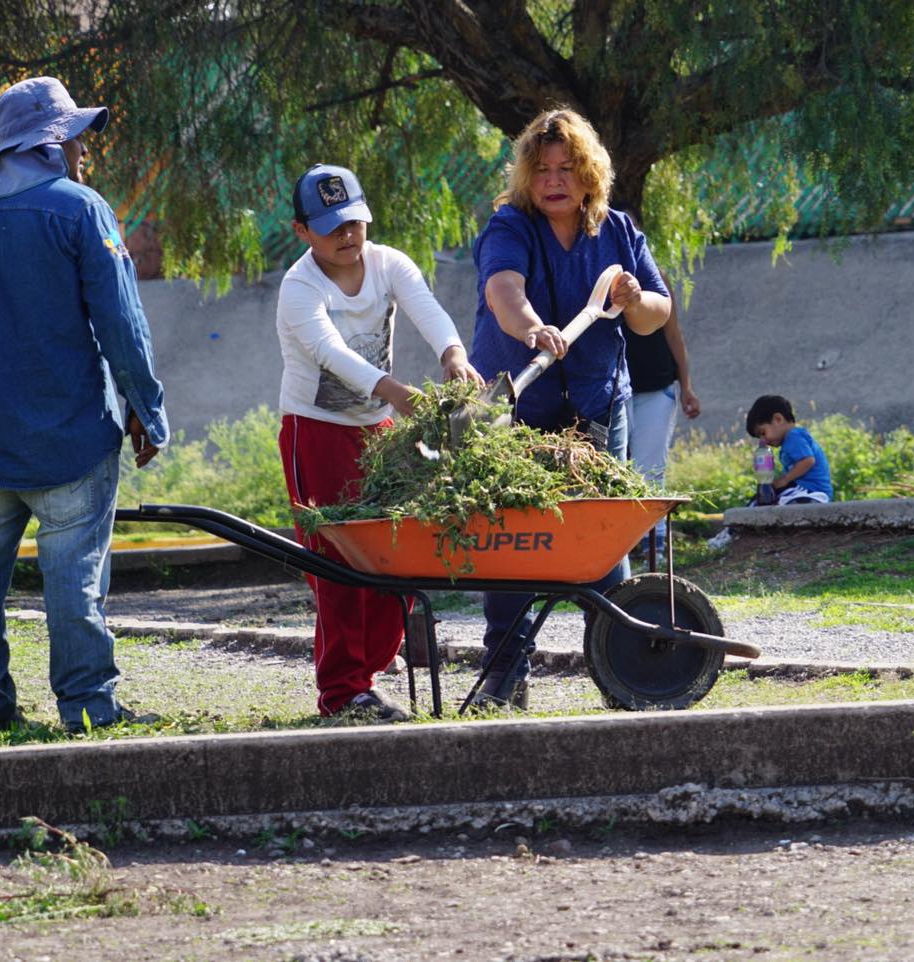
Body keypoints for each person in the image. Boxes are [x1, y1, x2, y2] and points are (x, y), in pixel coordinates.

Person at [0, 77, 168, 731]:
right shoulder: (81, 210)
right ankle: (86, 704)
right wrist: (146, 406)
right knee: (72, 572)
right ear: (53, 140)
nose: (85, 149)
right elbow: (122, 323)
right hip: (71, 437)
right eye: (79, 136)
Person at [469, 107, 674, 707]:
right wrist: (535, 330)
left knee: (601, 537)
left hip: (597, 406)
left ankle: (626, 664)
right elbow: (504, 292)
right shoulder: (509, 226)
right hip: (514, 405)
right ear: (527, 178)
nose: (554, 179)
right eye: (542, 169)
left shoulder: (618, 231)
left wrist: (634, 300)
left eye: (567, 167)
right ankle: (504, 674)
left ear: (589, 174)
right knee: (513, 541)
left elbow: (656, 313)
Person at [277, 163, 483, 722]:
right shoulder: (300, 287)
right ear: (302, 232)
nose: (347, 237)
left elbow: (427, 310)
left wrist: (453, 354)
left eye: (354, 223)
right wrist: (393, 390)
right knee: (336, 561)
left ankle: (369, 671)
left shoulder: (389, 263)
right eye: (330, 228)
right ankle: (343, 691)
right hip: (315, 431)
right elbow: (330, 353)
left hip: (377, 431)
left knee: (393, 552)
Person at [626, 301, 701, 553]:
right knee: (616, 464)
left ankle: (653, 541)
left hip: (656, 386)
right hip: (612, 388)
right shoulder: (593, 268)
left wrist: (686, 386)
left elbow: (673, 332)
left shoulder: (656, 275)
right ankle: (622, 540)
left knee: (651, 466)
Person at [745, 395, 833, 504]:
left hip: (812, 490)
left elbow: (808, 461)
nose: (763, 440)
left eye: (763, 433)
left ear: (778, 419)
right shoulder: (789, 441)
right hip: (801, 489)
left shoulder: (794, 437)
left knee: (788, 504)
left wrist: (784, 479)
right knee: (759, 502)